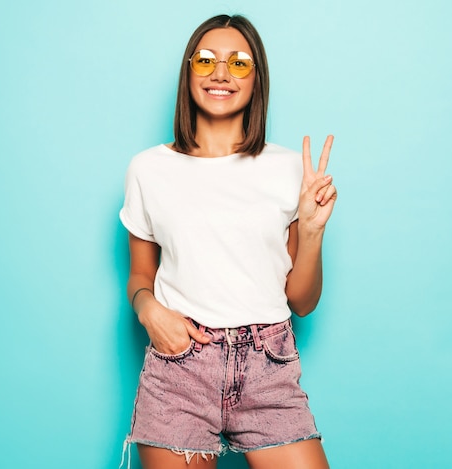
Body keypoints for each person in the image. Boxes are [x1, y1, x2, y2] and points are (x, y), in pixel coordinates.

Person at [119, 14, 337, 469]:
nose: (221, 73)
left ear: (257, 80)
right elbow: (140, 274)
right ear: (189, 72)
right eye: (206, 61)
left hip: (268, 367)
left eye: (239, 64)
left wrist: (313, 232)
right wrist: (149, 310)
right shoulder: (148, 169)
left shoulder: (288, 169)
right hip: (180, 365)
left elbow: (302, 301)